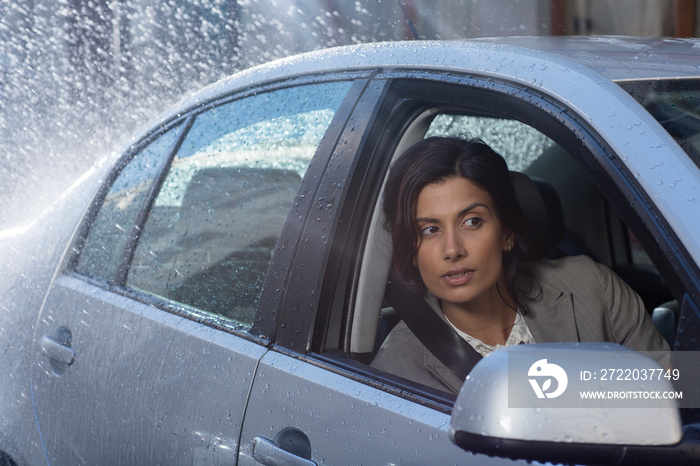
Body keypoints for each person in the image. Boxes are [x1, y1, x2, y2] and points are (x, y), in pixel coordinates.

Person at [371, 136, 671, 395]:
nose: (452, 250)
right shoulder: (393, 373)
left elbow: (672, 398)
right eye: (429, 230)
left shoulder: (592, 289)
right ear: (411, 250)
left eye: (472, 222)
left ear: (507, 233)